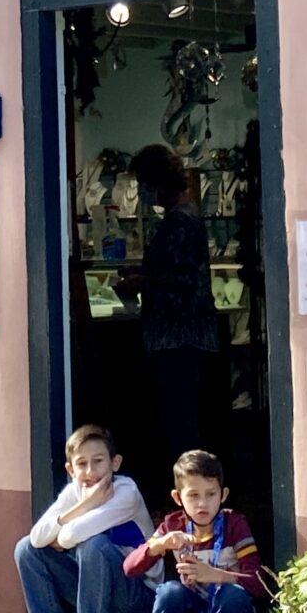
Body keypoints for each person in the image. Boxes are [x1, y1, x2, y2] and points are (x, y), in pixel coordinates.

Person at [118, 448, 269, 613]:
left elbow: (259, 582)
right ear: (178, 498)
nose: (203, 504)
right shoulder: (173, 525)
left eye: (211, 495)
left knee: (235, 596)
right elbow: (130, 568)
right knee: (169, 591)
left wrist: (216, 575)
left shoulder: (234, 524)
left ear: (223, 494)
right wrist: (159, 545)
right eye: (193, 495)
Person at [13, 422, 153, 613]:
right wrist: (86, 504)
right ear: (70, 469)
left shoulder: (126, 492)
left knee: (93, 545)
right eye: (81, 464)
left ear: (115, 462)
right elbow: (37, 537)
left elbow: (68, 536)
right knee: (26, 549)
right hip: (94, 592)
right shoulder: (74, 492)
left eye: (98, 461)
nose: (90, 471)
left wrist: (64, 531)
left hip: (135, 594)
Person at [124, 145, 222, 463]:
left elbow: (180, 279)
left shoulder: (179, 223)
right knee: (182, 414)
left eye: (146, 184)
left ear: (158, 182)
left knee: (180, 416)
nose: (145, 192)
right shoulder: (185, 218)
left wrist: (143, 281)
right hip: (185, 334)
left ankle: (188, 486)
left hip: (178, 335)